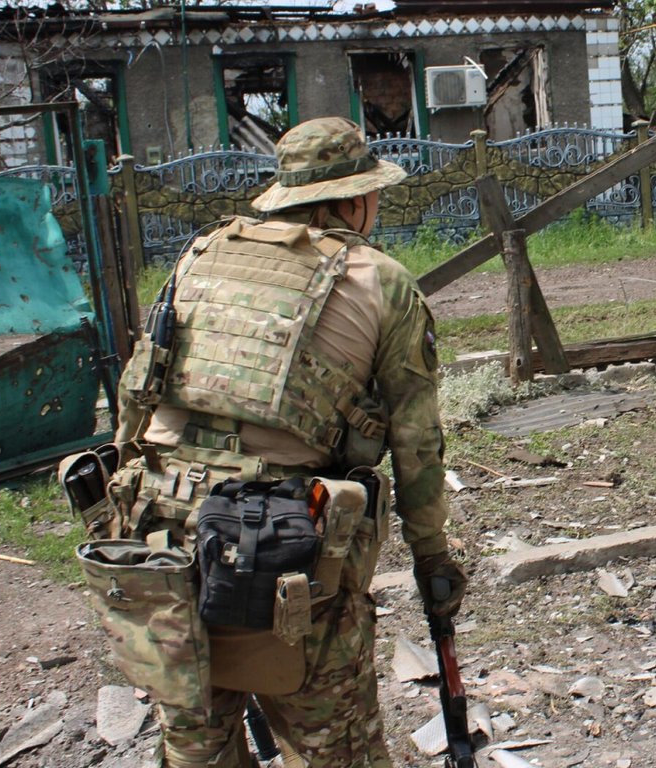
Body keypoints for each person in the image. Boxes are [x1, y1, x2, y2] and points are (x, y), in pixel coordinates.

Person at [107, 116, 466, 766]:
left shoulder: (201, 254)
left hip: (159, 542)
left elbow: (138, 396)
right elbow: (417, 442)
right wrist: (433, 558)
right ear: (352, 199)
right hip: (278, 552)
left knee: (198, 749)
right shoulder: (381, 279)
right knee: (336, 753)